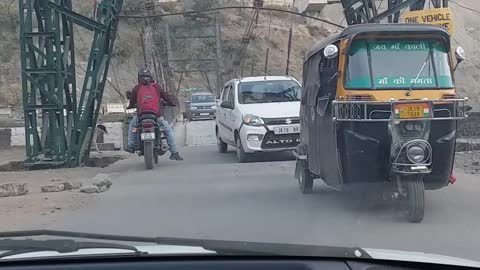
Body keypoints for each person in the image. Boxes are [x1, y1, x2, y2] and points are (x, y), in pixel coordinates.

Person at [127, 68, 183, 161]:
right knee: (168, 131)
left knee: (132, 125)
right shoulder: (157, 87)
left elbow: (132, 101)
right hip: (156, 117)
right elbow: (166, 97)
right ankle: (174, 153)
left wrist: (130, 106)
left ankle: (131, 146)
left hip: (141, 117)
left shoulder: (137, 88)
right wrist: (171, 103)